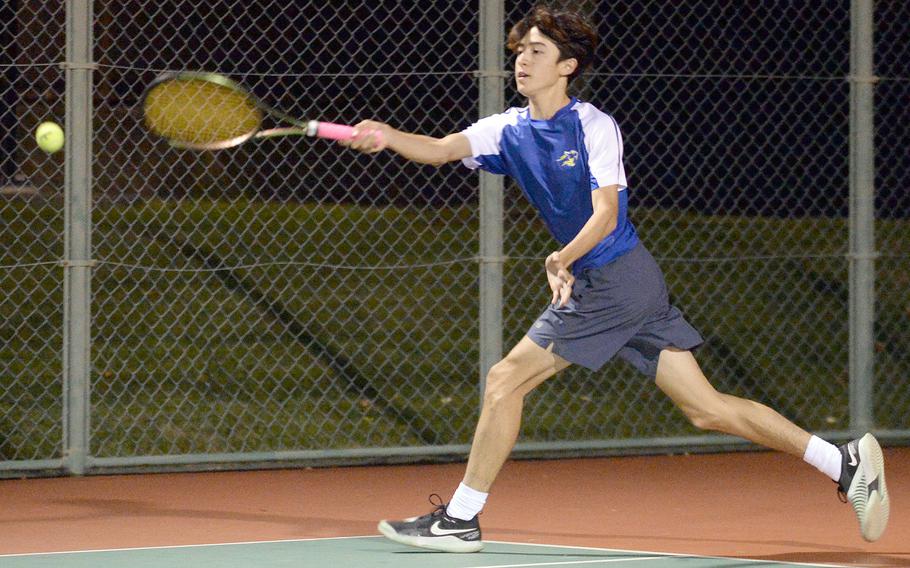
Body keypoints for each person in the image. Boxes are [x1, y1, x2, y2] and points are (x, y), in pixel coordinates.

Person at [342, 4, 890, 553]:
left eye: (538, 51)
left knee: (506, 379)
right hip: (628, 283)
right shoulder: (505, 128)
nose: (523, 61)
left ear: (568, 66)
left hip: (613, 279)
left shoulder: (593, 126)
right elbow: (440, 150)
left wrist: (563, 258)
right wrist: (387, 135)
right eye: (521, 50)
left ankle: (460, 519)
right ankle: (841, 462)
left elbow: (606, 213)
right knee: (706, 408)